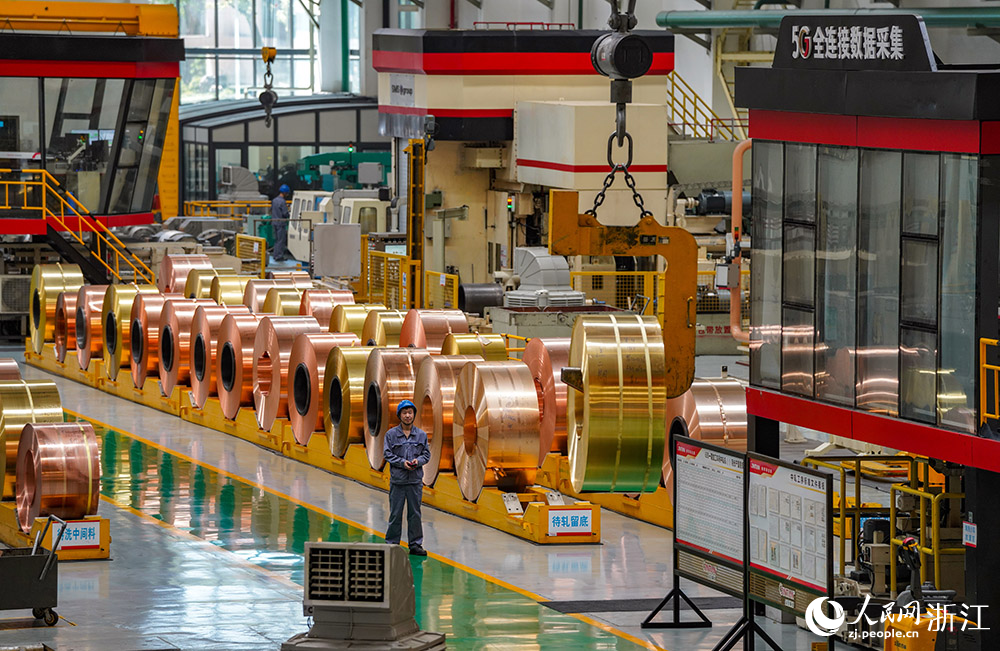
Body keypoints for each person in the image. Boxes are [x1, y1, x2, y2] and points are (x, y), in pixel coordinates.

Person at [383, 399, 429, 555]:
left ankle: (415, 544)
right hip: (398, 481)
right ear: (399, 415)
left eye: (410, 413)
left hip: (415, 481)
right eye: (405, 413)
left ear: (414, 415)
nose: (408, 416)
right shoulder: (391, 435)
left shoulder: (421, 435)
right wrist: (403, 463)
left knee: (415, 513)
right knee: (395, 513)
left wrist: (418, 461)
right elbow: (387, 454)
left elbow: (426, 454)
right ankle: (392, 544)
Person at [270, 184, 291, 261]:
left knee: (276, 240)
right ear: (285, 193)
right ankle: (279, 256)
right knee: (281, 240)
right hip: (281, 223)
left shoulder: (274, 200)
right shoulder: (282, 202)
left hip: (274, 222)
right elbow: (285, 213)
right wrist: (289, 213)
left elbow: (271, 210)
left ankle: (275, 255)